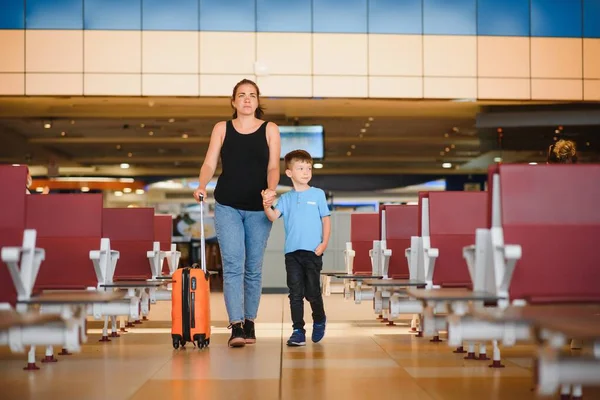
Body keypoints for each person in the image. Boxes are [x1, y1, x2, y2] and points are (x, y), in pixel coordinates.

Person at [193, 79, 280, 348]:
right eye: (241, 95)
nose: (246, 99)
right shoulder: (222, 128)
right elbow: (210, 161)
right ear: (233, 102)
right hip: (227, 204)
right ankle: (236, 325)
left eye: (252, 95)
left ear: (257, 101)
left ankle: (250, 321)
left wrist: (271, 190)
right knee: (233, 266)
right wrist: (201, 184)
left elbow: (273, 166)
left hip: (258, 208)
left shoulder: (270, 129)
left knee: (252, 268)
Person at [262, 150, 330, 346]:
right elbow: (273, 216)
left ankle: (319, 319)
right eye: (300, 168)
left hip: (313, 252)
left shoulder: (317, 194)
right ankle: (298, 330)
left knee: (312, 292)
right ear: (290, 173)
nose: (306, 172)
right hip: (292, 253)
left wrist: (323, 243)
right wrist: (266, 205)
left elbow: (326, 220)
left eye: (308, 168)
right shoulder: (285, 198)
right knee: (295, 293)